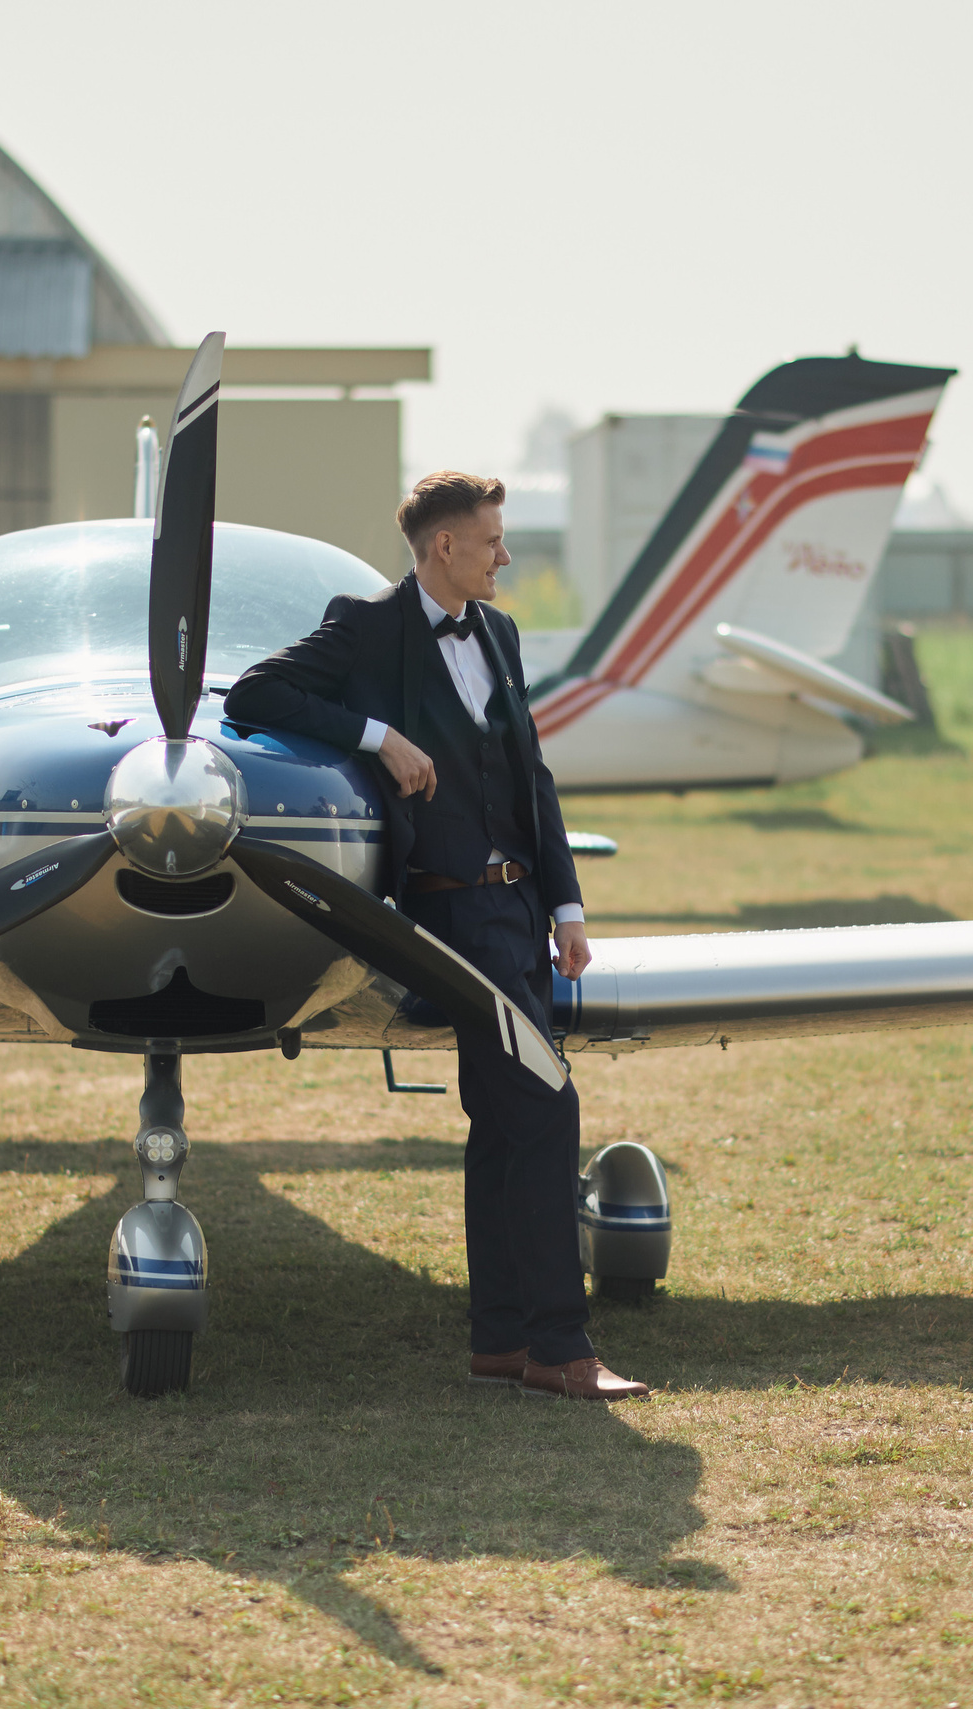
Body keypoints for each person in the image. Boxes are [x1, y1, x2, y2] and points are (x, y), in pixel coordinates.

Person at [225, 472, 648, 1402]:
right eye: (492, 540)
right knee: (544, 1108)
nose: (506, 555)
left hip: (519, 908)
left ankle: (501, 1339)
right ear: (442, 548)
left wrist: (568, 905)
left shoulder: (496, 631)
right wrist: (380, 735)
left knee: (504, 1121)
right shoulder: (366, 627)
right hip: (447, 913)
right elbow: (255, 696)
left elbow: (528, 769)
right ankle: (560, 1347)